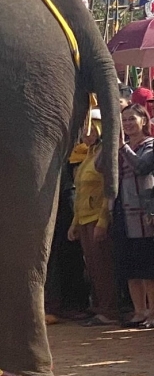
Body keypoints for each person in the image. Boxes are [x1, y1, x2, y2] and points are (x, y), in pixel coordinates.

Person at [70, 109, 119, 326]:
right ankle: (99, 306)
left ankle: (110, 310)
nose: (87, 135)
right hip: (83, 218)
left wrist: (103, 221)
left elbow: (108, 191)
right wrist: (74, 224)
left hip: (98, 217)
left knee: (103, 266)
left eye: (91, 130)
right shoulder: (88, 154)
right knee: (92, 267)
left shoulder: (104, 154)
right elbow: (80, 190)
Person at [117, 103, 154, 328]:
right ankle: (139, 311)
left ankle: (152, 312)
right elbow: (102, 168)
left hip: (146, 214)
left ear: (144, 121)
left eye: (132, 119)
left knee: (148, 268)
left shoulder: (150, 145)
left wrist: (122, 147)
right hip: (124, 212)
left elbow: (141, 167)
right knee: (131, 267)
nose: (128, 124)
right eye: (124, 120)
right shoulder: (121, 147)